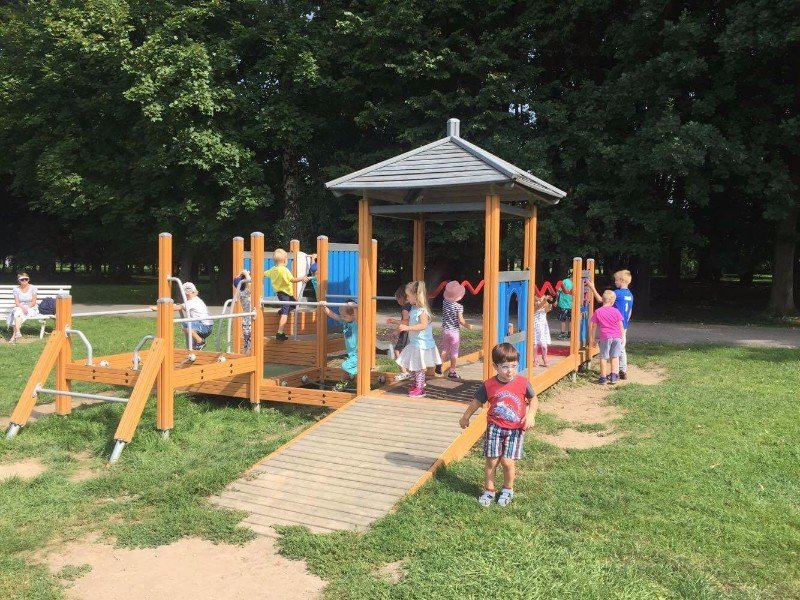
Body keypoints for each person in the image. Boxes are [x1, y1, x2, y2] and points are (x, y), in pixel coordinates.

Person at [458, 343, 537, 507]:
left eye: (514, 366)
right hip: (495, 428)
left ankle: (508, 489)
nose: (510, 371)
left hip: (515, 430)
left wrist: (530, 415)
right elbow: (476, 402)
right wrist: (466, 417)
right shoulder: (489, 385)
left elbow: (533, 400)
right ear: (495, 366)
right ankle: (489, 490)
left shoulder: (523, 383)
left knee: (508, 462)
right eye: (505, 367)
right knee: (491, 461)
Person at [396, 281, 441, 397]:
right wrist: (396, 322)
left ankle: (420, 388)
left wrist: (407, 328)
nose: (407, 298)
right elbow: (408, 322)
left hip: (421, 344)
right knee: (413, 365)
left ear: (416, 296)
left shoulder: (422, 311)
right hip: (415, 343)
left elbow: (423, 325)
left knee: (419, 367)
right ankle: (416, 384)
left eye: (408, 296)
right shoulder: (413, 309)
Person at [588, 270, 634, 379]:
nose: (615, 282)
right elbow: (630, 311)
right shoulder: (630, 294)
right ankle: (622, 370)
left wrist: (592, 287)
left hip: (615, 326)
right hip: (623, 324)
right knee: (621, 348)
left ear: (621, 280)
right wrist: (626, 322)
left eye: (616, 280)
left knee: (617, 350)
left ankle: (618, 372)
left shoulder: (617, 293)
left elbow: (601, 300)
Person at [150, 282, 213, 350]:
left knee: (185, 324)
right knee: (188, 327)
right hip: (205, 326)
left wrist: (158, 308)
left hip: (205, 327)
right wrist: (175, 305)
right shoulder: (196, 300)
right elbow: (180, 306)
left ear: (195, 292)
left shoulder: (193, 301)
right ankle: (196, 347)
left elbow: (178, 307)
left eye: (188, 294)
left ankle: (200, 341)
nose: (187, 296)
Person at [264, 248, 310, 341]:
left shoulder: (273, 269)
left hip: (283, 294)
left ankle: (281, 311)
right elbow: (292, 280)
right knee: (285, 313)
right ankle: (280, 333)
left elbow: (264, 274)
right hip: (285, 295)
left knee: (295, 305)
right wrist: (302, 278)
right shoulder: (284, 270)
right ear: (285, 260)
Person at [590, 290, 625, 384]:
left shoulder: (598, 311)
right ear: (613, 301)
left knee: (603, 357)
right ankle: (613, 376)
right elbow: (621, 325)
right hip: (617, 336)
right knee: (615, 356)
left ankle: (603, 378)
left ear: (603, 299)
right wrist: (623, 337)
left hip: (605, 337)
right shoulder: (616, 311)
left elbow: (594, 326)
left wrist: (592, 339)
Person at [321, 300, 357, 389]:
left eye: (344, 316)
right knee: (347, 366)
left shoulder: (357, 323)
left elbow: (358, 314)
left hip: (358, 353)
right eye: (341, 315)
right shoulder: (345, 321)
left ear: (353, 315)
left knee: (345, 365)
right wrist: (324, 306)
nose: (342, 318)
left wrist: (354, 306)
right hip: (351, 353)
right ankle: (350, 376)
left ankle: (344, 381)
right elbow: (332, 314)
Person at [441, 281, 473, 379]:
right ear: (459, 296)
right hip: (454, 332)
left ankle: (439, 366)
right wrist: (468, 326)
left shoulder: (444, 303)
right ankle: (452, 371)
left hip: (445, 331)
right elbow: (461, 321)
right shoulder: (459, 307)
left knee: (445, 349)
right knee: (454, 352)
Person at [386, 285, 411, 381]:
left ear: (401, 297)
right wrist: (397, 331)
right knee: (408, 351)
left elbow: (405, 322)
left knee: (398, 350)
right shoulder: (413, 306)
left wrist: (394, 322)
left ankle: (404, 372)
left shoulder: (405, 308)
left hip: (406, 332)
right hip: (411, 332)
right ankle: (410, 371)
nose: (397, 301)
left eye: (397, 299)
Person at [8, 272, 38, 343]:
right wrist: (23, 308)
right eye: (22, 279)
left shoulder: (33, 288)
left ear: (28, 279)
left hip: (31, 307)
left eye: (26, 279)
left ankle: (14, 335)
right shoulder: (16, 289)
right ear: (19, 280)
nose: (24, 280)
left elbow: (33, 302)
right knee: (18, 312)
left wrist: (27, 308)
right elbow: (17, 303)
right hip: (20, 307)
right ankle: (18, 332)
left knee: (17, 315)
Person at [233, 269, 252, 353]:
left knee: (247, 342)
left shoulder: (240, 292)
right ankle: (247, 352)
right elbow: (249, 280)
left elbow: (237, 280)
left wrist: (241, 274)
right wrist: (245, 273)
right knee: (249, 341)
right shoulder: (246, 291)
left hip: (246, 320)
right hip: (250, 321)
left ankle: (246, 351)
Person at [533, 294, 554, 367]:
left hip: (543, 327)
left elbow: (547, 309)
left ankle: (544, 357)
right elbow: (537, 307)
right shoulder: (534, 302)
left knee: (544, 345)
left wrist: (550, 302)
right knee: (534, 344)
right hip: (534, 326)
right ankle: (535, 359)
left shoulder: (544, 301)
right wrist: (544, 300)